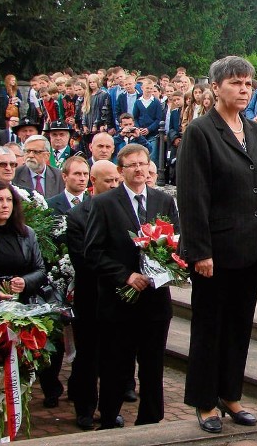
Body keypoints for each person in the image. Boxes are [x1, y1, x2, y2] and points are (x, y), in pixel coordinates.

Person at [178, 56, 257, 434]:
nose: (244, 89)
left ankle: (230, 394)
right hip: (216, 250)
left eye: (248, 83)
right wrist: (199, 250)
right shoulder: (200, 133)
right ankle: (205, 401)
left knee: (240, 325)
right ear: (215, 88)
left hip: (252, 247)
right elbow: (192, 196)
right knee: (210, 326)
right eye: (236, 83)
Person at [85, 144, 178, 430]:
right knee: (116, 364)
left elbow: (176, 242)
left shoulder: (163, 201)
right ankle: (110, 416)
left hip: (155, 299)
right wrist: (125, 276)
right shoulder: (105, 203)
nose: (139, 170)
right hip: (120, 300)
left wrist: (167, 266)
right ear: (121, 170)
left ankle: (151, 419)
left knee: (152, 364)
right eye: (132, 165)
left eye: (143, 164)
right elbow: (93, 252)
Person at [0, 180, 46, 444]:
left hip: (17, 313)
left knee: (14, 375)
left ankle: (7, 431)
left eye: (9, 200)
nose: (5, 205)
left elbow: (40, 269)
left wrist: (25, 282)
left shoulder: (26, 234)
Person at [66, 160, 121, 430]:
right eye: (107, 181)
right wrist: (118, 270)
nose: (113, 185)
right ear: (93, 182)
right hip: (90, 297)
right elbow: (84, 259)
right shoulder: (78, 215)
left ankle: (110, 411)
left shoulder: (124, 208)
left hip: (118, 296)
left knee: (114, 356)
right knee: (87, 356)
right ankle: (85, 409)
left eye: (115, 181)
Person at [132, 79, 163, 165]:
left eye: (151, 88)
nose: (149, 90)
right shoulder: (138, 102)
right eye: (147, 88)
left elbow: (158, 119)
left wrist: (149, 129)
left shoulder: (156, 102)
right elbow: (135, 117)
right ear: (142, 88)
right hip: (140, 133)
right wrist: (139, 129)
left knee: (152, 155)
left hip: (153, 134)